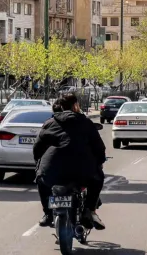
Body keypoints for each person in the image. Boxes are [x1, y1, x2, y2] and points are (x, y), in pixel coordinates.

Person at [33, 92, 107, 230]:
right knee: (98, 178)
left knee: (41, 179)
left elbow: (38, 147)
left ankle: (48, 214)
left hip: (53, 171)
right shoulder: (85, 122)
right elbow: (99, 147)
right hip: (83, 171)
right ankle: (90, 210)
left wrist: (39, 164)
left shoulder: (49, 123)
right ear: (75, 106)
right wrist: (100, 162)